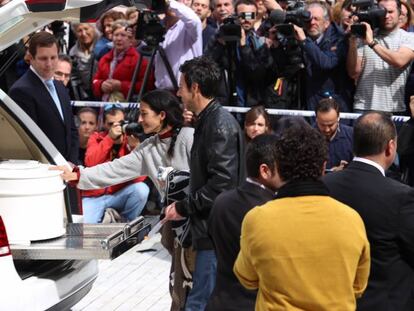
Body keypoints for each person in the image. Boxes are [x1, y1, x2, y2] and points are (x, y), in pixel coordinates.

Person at [55, 89, 194, 311]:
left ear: (162, 115)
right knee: (178, 285)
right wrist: (78, 174)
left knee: (193, 284)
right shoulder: (148, 148)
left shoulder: (189, 137)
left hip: (198, 224)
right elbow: (114, 169)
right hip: (175, 226)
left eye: (144, 113)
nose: (139, 119)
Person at [234, 125, 370, 311]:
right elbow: (358, 286)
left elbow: (247, 278)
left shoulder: (258, 219)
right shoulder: (352, 219)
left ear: (279, 167)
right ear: (324, 167)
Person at [164, 56, 245, 310]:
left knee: (200, 302)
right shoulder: (207, 121)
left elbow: (222, 182)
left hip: (214, 229)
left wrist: (184, 207)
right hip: (209, 227)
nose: (178, 92)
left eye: (182, 86)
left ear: (195, 88)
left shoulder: (218, 124)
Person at [323, 111, 414, 311]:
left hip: (331, 301)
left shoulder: (323, 186)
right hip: (385, 302)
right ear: (390, 147)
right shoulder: (401, 197)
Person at [206, 134, 277, 311]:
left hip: (220, 300)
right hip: (254, 303)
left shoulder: (221, 202)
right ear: (265, 171)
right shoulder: (271, 210)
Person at [9, 31, 79, 164]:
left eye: (53, 58)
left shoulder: (60, 87)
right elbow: (29, 141)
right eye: (43, 58)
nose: (49, 64)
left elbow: (71, 130)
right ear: (31, 58)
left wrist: (72, 162)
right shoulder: (21, 91)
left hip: (67, 170)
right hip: (44, 171)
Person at [81, 104, 149, 223]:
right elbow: (90, 162)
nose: (116, 127)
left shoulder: (129, 140)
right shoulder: (96, 138)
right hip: (93, 197)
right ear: (103, 124)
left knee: (141, 190)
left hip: (118, 195)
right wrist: (109, 139)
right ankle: (108, 216)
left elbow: (141, 178)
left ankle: (124, 223)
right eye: (111, 124)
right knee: (84, 226)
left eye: (120, 123)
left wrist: (134, 148)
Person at [347, 0, 414, 114]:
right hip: (363, 107)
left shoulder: (408, 37)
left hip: (393, 110)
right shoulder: (364, 34)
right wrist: (353, 40)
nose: (387, 16)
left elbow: (399, 61)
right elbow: (353, 72)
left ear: (400, 14)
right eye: (382, 12)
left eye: (391, 12)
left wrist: (372, 42)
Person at [292, 1, 353, 112]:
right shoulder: (301, 35)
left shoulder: (339, 38)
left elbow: (327, 63)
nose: (312, 22)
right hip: (309, 101)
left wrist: (305, 42)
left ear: (326, 23)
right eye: (308, 19)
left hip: (334, 104)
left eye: (316, 19)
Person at [92, 20, 154, 101]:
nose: (119, 38)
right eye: (116, 35)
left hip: (129, 105)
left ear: (130, 38)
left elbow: (147, 86)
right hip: (105, 105)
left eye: (123, 35)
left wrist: (122, 86)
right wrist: (101, 85)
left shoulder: (139, 60)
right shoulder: (105, 58)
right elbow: (94, 81)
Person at [154, 0, 203, 91]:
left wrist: (170, 3)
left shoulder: (188, 27)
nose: (181, 2)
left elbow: (194, 20)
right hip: (162, 92)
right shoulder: (159, 27)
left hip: (185, 91)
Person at [315, 97, 353, 171]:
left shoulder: (352, 136)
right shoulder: (307, 138)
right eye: (322, 125)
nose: (327, 129)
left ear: (338, 118)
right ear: (316, 119)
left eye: (330, 125)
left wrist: (347, 168)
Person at [69, 23, 99, 100]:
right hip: (85, 95)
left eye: (86, 29)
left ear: (93, 28)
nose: (83, 33)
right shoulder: (73, 53)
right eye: (79, 30)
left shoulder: (103, 47)